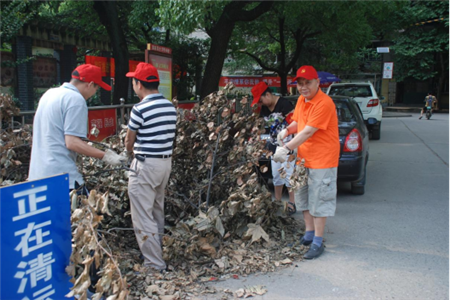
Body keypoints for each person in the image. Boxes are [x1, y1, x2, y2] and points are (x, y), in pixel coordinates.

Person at [273, 65, 340, 259]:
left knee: (319, 199)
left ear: (317, 82)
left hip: (323, 160)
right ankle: (308, 234)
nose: (303, 87)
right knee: (303, 197)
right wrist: (286, 130)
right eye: (300, 84)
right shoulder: (302, 100)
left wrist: (285, 149)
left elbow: (309, 131)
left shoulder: (324, 103)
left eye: (307, 83)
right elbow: (298, 123)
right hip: (304, 158)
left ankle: (318, 242)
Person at [28, 64, 126, 190]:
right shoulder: (75, 99)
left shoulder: (50, 93)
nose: (94, 93)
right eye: (96, 89)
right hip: (61, 176)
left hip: (38, 175)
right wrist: (106, 156)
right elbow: (72, 142)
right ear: (90, 84)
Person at [125, 62, 176, 271]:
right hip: (164, 164)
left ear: (139, 84)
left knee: (142, 215)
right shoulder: (169, 106)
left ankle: (154, 263)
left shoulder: (140, 108)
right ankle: (158, 253)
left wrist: (127, 156)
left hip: (145, 165)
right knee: (156, 211)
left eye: (133, 81)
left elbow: (129, 140)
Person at [251, 81, 296, 214]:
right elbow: (259, 126)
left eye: (261, 99)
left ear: (268, 94)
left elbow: (295, 124)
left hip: (288, 146)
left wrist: (290, 145)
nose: (261, 103)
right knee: (277, 175)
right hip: (274, 147)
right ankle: (277, 201)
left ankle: (292, 203)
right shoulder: (264, 109)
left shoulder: (285, 105)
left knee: (289, 175)